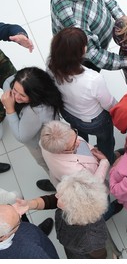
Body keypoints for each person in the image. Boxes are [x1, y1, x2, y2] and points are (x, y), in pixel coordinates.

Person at [48, 27, 117, 164]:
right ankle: (107, 159)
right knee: (105, 140)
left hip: (69, 113)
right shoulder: (93, 79)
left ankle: (85, 156)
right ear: (80, 52)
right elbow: (109, 103)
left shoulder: (51, 66)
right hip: (95, 120)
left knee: (79, 138)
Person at [16, 170, 120, 259]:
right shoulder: (71, 205)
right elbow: (50, 201)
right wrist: (29, 204)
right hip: (70, 244)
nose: (57, 195)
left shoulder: (91, 239)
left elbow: (100, 257)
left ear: (75, 209)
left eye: (61, 197)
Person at [39, 120, 122, 219]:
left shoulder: (45, 142)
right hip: (89, 191)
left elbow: (80, 144)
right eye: (73, 145)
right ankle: (109, 211)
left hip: (58, 177)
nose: (78, 141)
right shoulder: (73, 171)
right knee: (103, 209)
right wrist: (104, 161)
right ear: (61, 151)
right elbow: (94, 184)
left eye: (74, 134)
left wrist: (91, 150)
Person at [1, 67, 64, 192]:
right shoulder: (15, 83)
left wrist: (9, 109)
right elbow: (8, 81)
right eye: (14, 90)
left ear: (34, 94)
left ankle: (58, 185)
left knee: (48, 166)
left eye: (22, 95)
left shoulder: (36, 112)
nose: (15, 96)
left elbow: (21, 136)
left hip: (42, 146)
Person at [51, 0, 127, 71]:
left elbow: (108, 1)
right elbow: (92, 54)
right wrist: (125, 61)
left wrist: (124, 21)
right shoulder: (72, 16)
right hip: (85, 59)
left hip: (98, 44)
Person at [0, 22, 34, 173]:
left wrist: (20, 34)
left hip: (1, 67)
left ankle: (15, 109)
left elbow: (6, 29)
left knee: (14, 85)